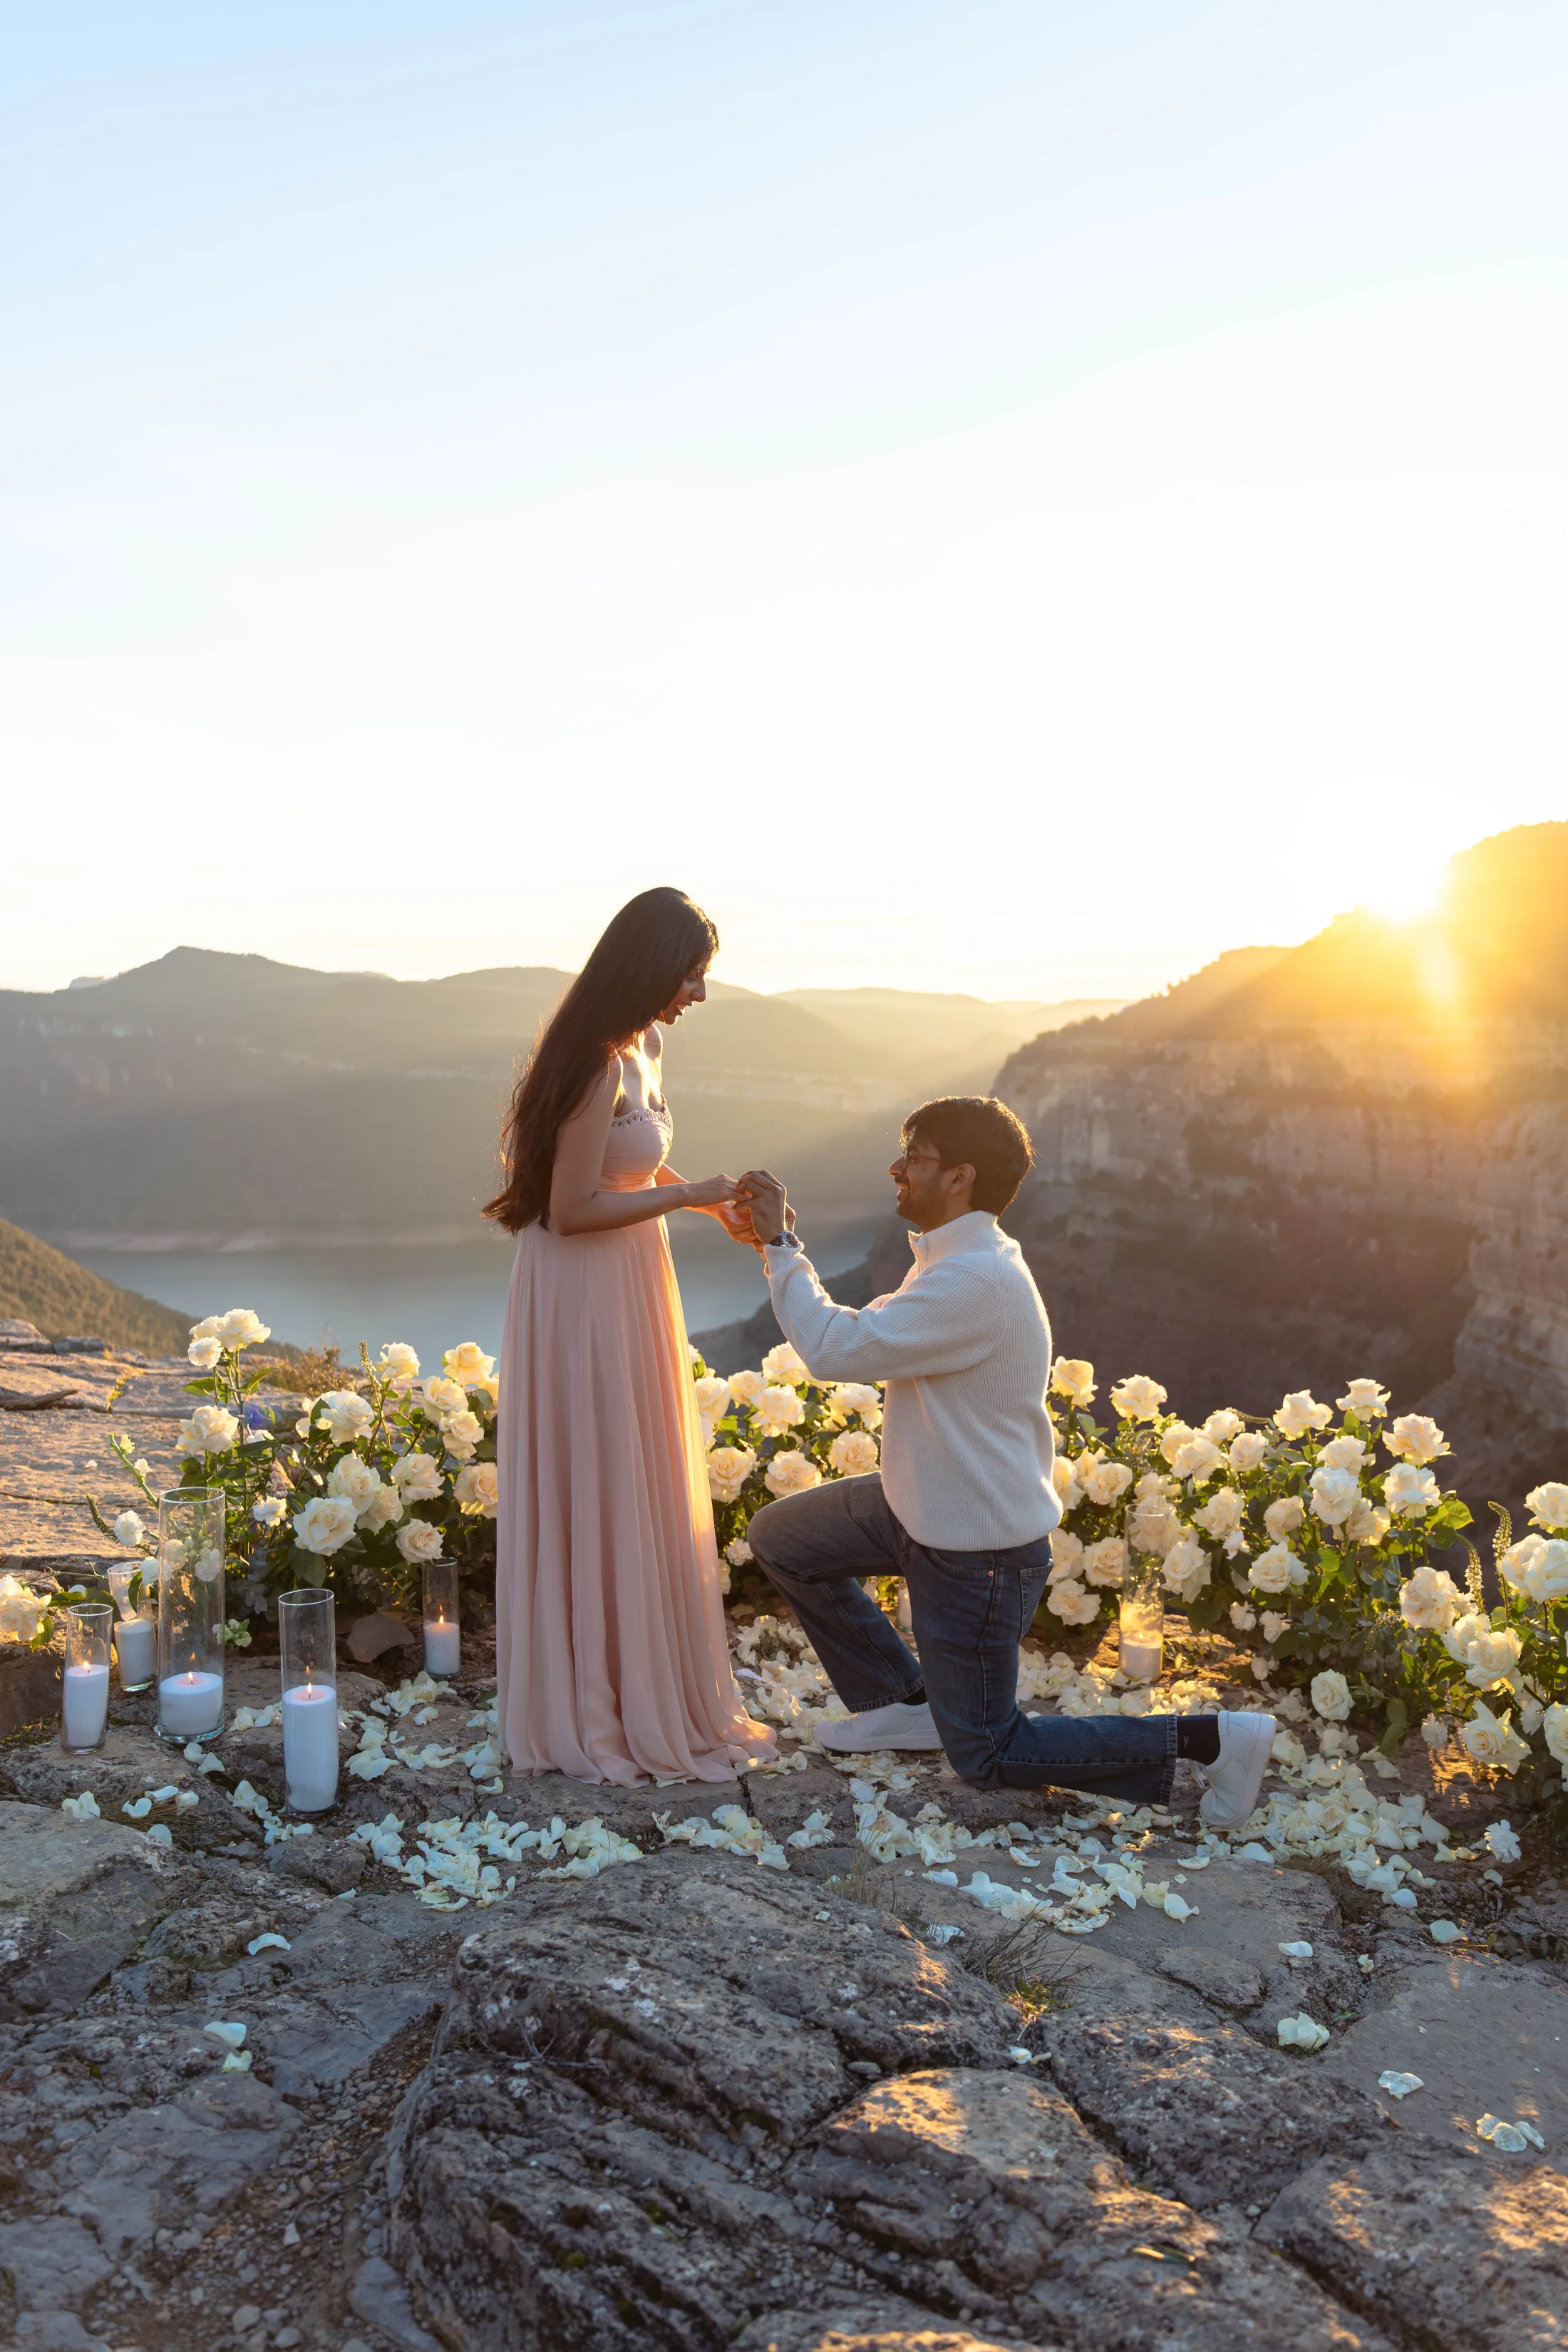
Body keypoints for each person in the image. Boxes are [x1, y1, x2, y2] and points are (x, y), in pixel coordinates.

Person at [732, 1097, 1274, 1826]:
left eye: (913, 1157)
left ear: (959, 1177)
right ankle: (907, 1705)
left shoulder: (974, 1282)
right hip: (917, 1506)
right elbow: (869, 1334)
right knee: (782, 1538)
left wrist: (780, 1245)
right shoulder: (957, 1262)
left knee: (988, 1755)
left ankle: (1214, 1739)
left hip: (974, 1554)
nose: (896, 1168)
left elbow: (836, 1349)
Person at [485, 887, 774, 1785]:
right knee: (599, 1465)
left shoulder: (645, 1046)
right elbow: (570, 1211)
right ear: (650, 967)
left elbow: (630, 1159)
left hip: (632, 1275)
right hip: (581, 1289)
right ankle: (594, 1700)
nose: (698, 992)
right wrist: (685, 1199)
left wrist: (707, 1198)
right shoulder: (592, 1064)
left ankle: (636, 1673)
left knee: (631, 1466)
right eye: (690, 973)